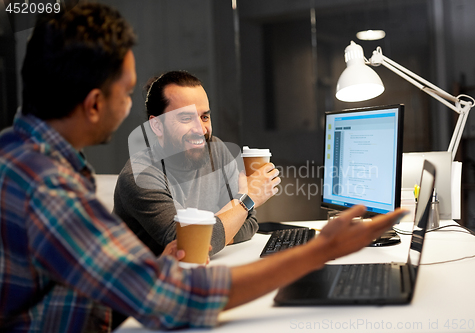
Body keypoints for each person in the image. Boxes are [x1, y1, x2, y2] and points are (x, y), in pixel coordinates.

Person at [0, 3, 407, 332]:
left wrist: (219, 226)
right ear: (93, 104)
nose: (128, 106)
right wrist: (321, 251)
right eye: (125, 93)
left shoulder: (24, 159)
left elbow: (235, 230)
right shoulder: (48, 188)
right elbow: (176, 299)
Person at [113, 71, 279, 256]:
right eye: (186, 118)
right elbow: (188, 246)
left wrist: (213, 235)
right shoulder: (140, 175)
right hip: (142, 282)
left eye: (204, 117)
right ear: (157, 126)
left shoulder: (216, 150)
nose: (201, 129)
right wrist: (247, 199)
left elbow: (249, 223)